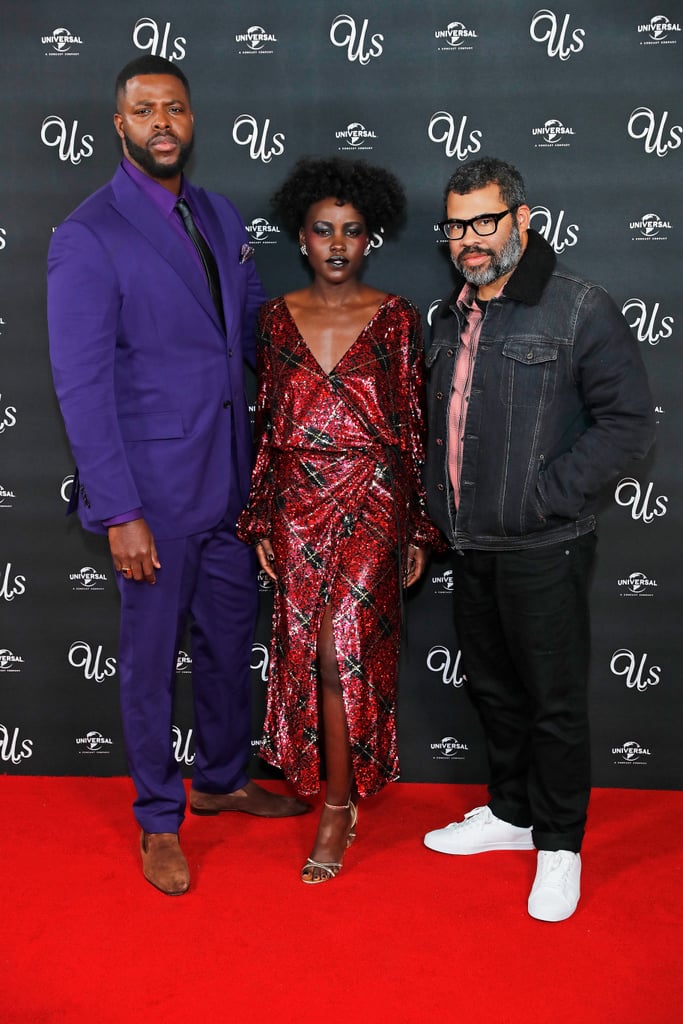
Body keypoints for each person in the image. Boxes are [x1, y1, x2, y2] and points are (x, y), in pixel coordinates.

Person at [47, 55, 308, 897]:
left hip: (230, 485)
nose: (164, 122)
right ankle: (160, 818)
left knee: (229, 646)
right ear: (118, 123)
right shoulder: (88, 234)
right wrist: (119, 508)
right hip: (151, 498)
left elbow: (252, 332)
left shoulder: (220, 215)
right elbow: (82, 386)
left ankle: (222, 780)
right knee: (150, 660)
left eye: (177, 109)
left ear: (192, 122)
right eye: (145, 109)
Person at [422, 157, 655, 921]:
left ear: (522, 219)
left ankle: (559, 846)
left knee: (552, 702)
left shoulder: (579, 307)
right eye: (457, 226)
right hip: (469, 543)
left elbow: (627, 426)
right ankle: (513, 815)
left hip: (543, 544)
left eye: (485, 222)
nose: (469, 240)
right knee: (492, 689)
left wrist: (541, 498)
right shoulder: (449, 315)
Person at [237, 156, 440, 884]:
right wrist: (260, 514)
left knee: (338, 649)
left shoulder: (395, 319)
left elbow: (414, 429)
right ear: (300, 236)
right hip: (295, 501)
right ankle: (335, 792)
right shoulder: (272, 317)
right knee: (303, 651)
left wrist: (416, 525)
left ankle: (335, 805)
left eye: (350, 232)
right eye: (322, 230)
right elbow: (265, 426)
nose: (335, 244)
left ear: (368, 240)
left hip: (373, 496)